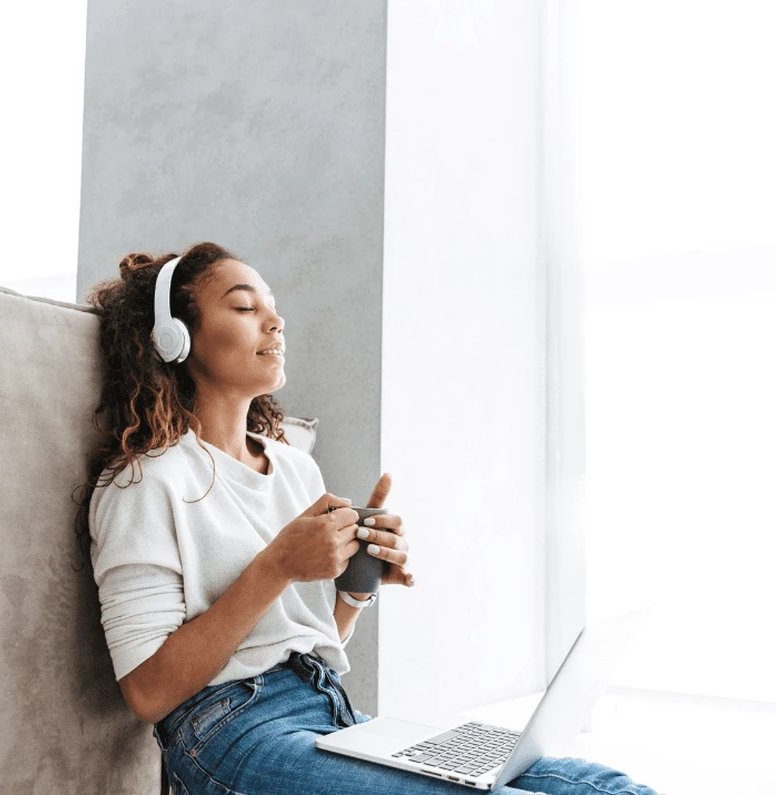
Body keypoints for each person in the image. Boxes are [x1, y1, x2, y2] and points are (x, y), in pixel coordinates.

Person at [74, 243, 662, 794]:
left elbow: (302, 636)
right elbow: (147, 692)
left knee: (601, 785)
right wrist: (277, 565)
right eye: (246, 307)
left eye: (273, 307)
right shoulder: (145, 481)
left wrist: (358, 585)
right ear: (177, 338)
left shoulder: (294, 469)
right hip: (226, 734)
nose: (275, 322)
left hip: (330, 708)